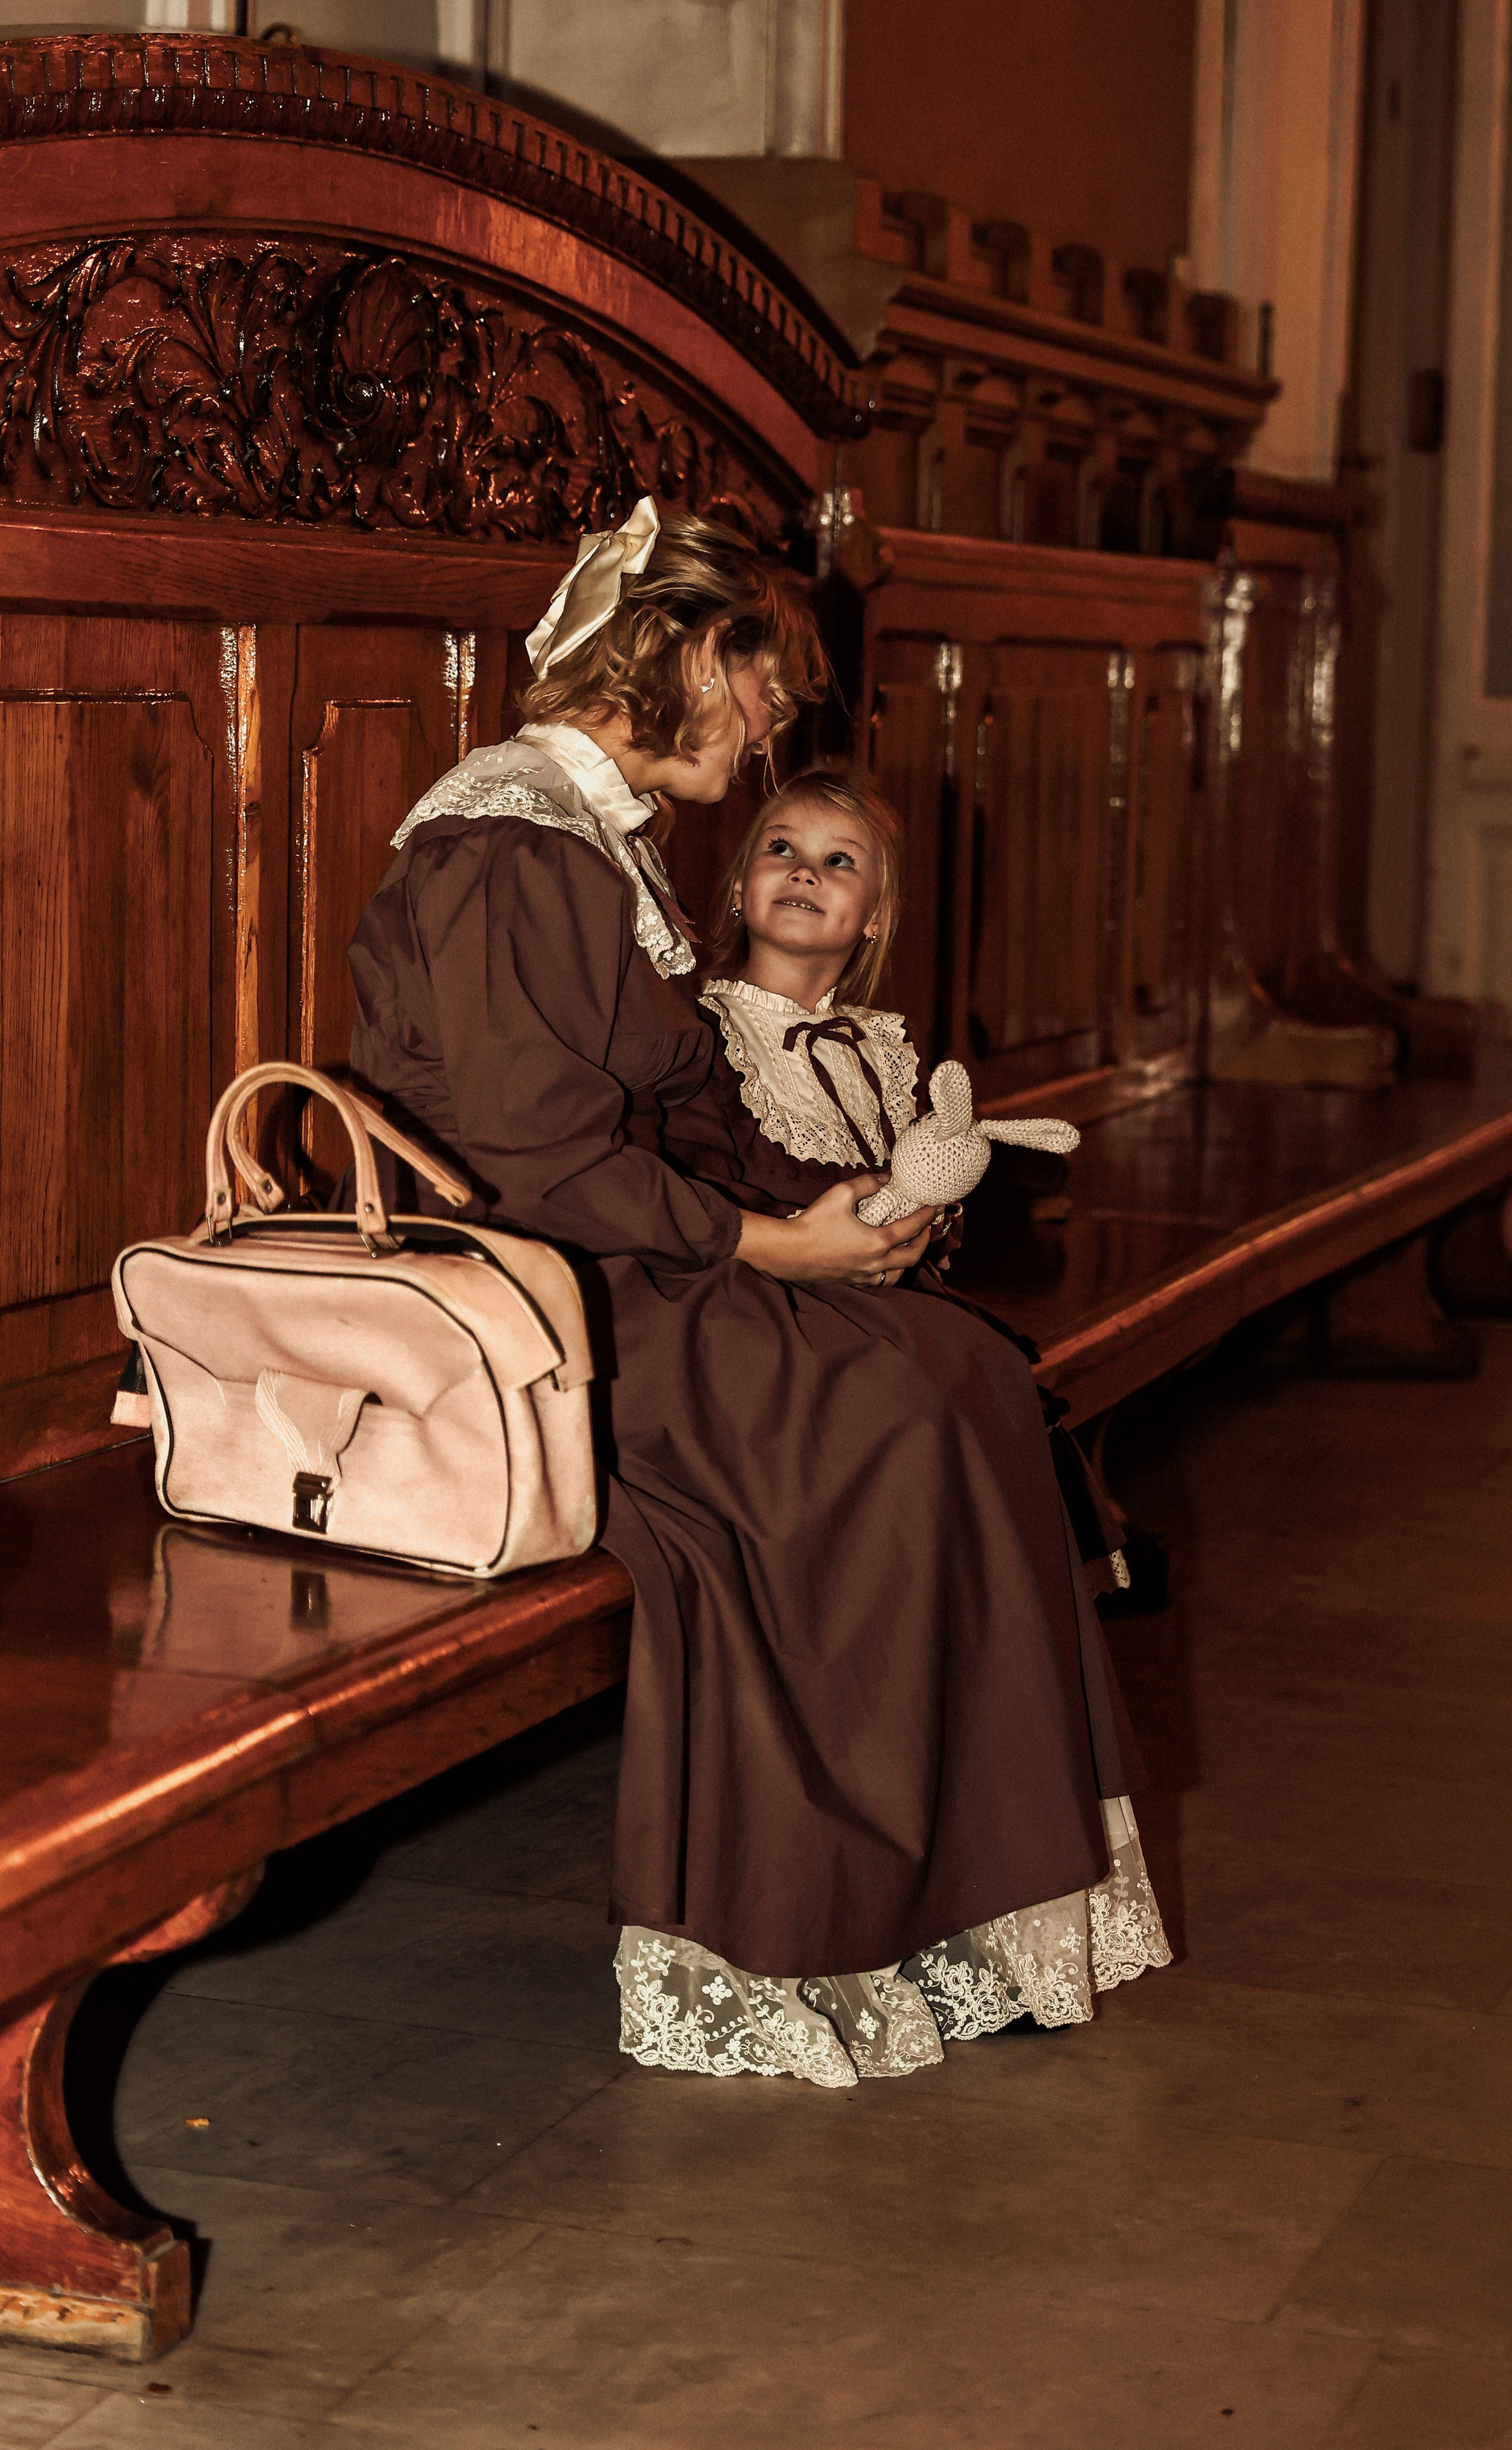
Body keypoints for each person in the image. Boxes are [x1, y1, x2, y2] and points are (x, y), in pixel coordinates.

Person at [346, 498, 1167, 2092]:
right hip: (539, 1290)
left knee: (967, 1376)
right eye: (764, 673)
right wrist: (766, 1251)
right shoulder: (505, 841)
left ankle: (969, 1912)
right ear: (676, 653)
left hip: (626, 1247)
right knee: (874, 1415)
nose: (781, 715)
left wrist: (826, 1207)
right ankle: (818, 1921)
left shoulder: (596, 841)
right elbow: (528, 1152)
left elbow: (683, 1114)